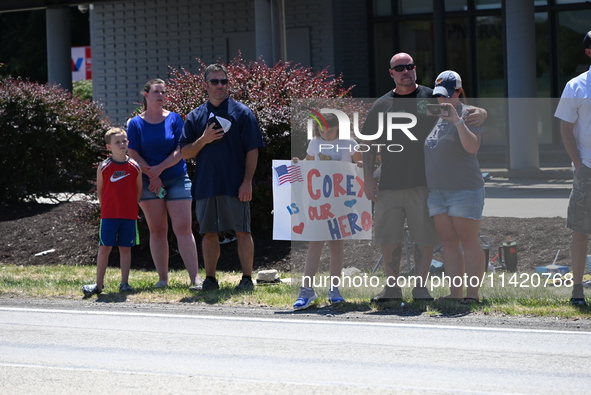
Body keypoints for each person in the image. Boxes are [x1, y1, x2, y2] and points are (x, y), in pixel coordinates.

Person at [362, 53, 487, 303]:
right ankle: (392, 288)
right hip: (389, 183)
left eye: (409, 67)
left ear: (415, 69)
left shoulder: (430, 99)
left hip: (424, 184)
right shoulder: (382, 104)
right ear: (391, 73)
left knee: (425, 239)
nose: (405, 71)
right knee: (389, 237)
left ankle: (421, 287)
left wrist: (481, 112)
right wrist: (368, 178)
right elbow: (369, 143)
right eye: (400, 68)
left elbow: (461, 108)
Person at [179, 63, 265, 292]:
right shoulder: (196, 116)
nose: (220, 85)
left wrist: (247, 182)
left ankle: (247, 279)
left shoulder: (242, 112)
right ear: (205, 84)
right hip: (206, 185)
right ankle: (210, 279)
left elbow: (252, 150)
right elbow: (185, 152)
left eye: (224, 81)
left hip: (235, 185)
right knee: (208, 233)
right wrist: (204, 139)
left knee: (242, 231)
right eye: (215, 81)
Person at [127, 78, 203, 290]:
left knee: (183, 228)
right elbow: (132, 153)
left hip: (176, 178)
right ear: (146, 95)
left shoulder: (174, 119)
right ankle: (163, 279)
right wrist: (152, 175)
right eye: (156, 92)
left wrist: (159, 170)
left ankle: (195, 278)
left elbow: (181, 149)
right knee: (158, 229)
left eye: (163, 92)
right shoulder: (135, 123)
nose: (161, 96)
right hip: (148, 181)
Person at [424, 70, 485, 304]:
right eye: (439, 95)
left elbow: (472, 147)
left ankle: (472, 295)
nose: (443, 100)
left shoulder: (468, 115)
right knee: (449, 243)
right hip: (437, 191)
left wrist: (458, 120)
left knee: (469, 240)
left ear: (458, 91)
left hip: (464, 189)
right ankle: (455, 293)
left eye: (447, 95)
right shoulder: (436, 114)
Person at [291, 113, 363, 310]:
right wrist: (298, 163)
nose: (326, 133)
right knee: (315, 243)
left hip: (341, 201)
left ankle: (334, 289)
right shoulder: (314, 143)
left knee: (336, 245)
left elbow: (360, 166)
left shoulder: (349, 143)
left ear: (337, 127)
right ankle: (306, 290)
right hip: (320, 202)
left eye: (329, 130)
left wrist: (359, 167)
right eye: (322, 130)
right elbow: (308, 165)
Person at [82, 128, 142, 297]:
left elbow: (138, 190)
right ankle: (99, 285)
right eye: (117, 142)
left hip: (128, 216)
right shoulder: (104, 167)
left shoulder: (135, 166)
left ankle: (124, 283)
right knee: (105, 247)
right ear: (109, 147)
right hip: (109, 215)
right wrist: (108, 208)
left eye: (124, 141)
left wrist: (130, 207)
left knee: (125, 248)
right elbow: (100, 191)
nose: (122, 144)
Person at [555, 30, 591, 307]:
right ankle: (577, 288)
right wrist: (578, 163)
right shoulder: (576, 86)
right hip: (587, 169)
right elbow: (565, 127)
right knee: (580, 231)